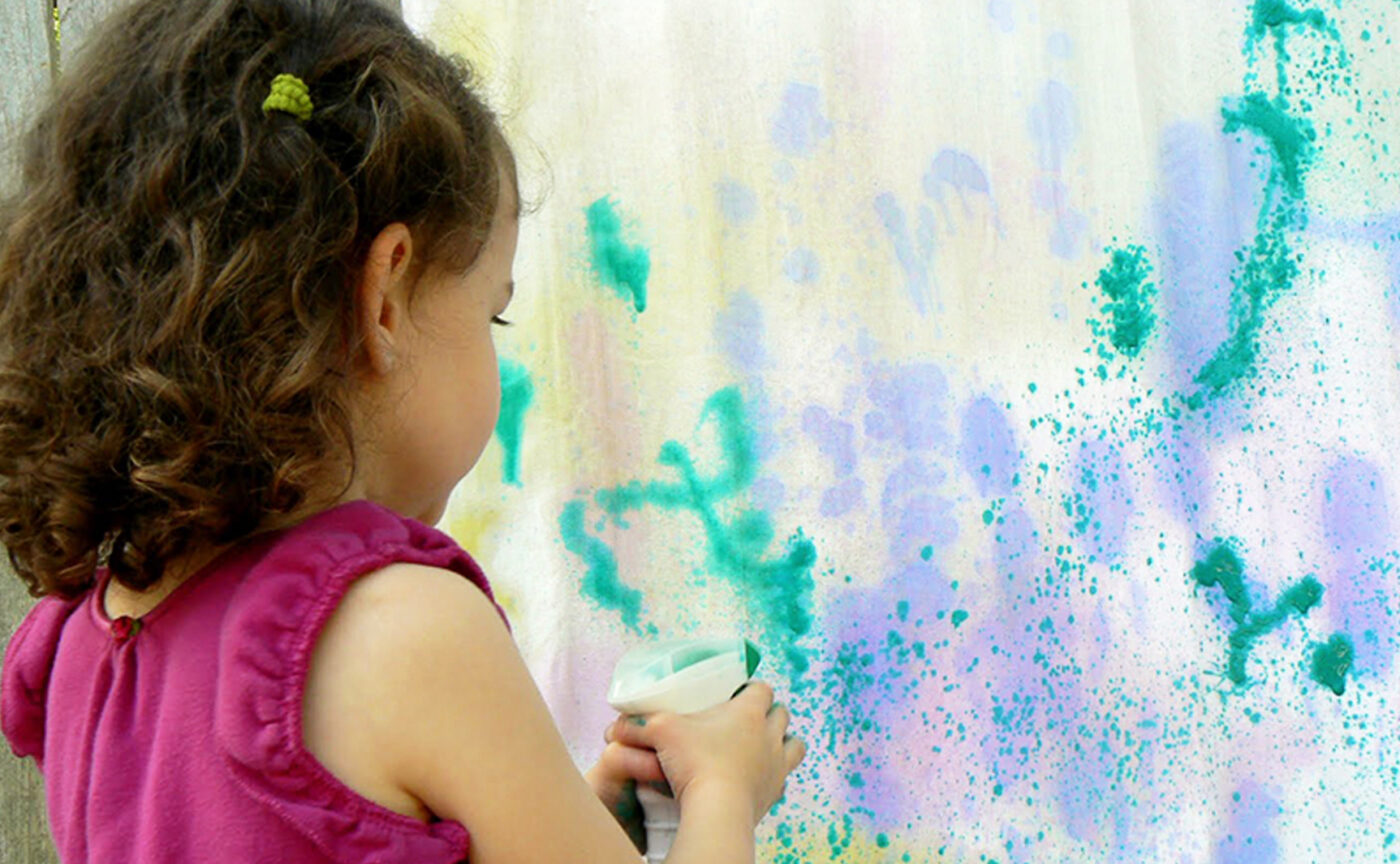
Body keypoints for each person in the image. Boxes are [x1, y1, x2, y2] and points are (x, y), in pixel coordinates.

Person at [0, 1, 805, 861]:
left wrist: (571, 816)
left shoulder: (82, 641)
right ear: (384, 300)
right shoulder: (402, 626)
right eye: (491, 315)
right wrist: (723, 793)